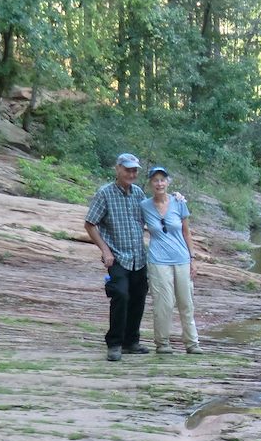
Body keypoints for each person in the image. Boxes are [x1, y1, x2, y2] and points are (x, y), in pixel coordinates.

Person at [84, 153, 150, 361]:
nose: (131, 174)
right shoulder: (105, 193)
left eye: (134, 170)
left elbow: (154, 214)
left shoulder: (138, 193)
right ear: (118, 169)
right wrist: (104, 250)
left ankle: (131, 341)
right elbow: (90, 223)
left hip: (138, 256)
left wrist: (174, 200)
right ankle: (114, 343)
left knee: (138, 296)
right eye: (128, 169)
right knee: (120, 295)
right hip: (117, 256)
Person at [141, 166, 202, 355]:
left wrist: (192, 258)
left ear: (168, 182)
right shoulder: (144, 205)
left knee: (186, 302)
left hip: (182, 258)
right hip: (158, 260)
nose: (159, 183)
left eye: (162, 179)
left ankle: (192, 343)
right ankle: (162, 343)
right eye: (155, 180)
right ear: (151, 183)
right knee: (163, 303)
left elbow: (186, 232)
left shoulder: (178, 202)